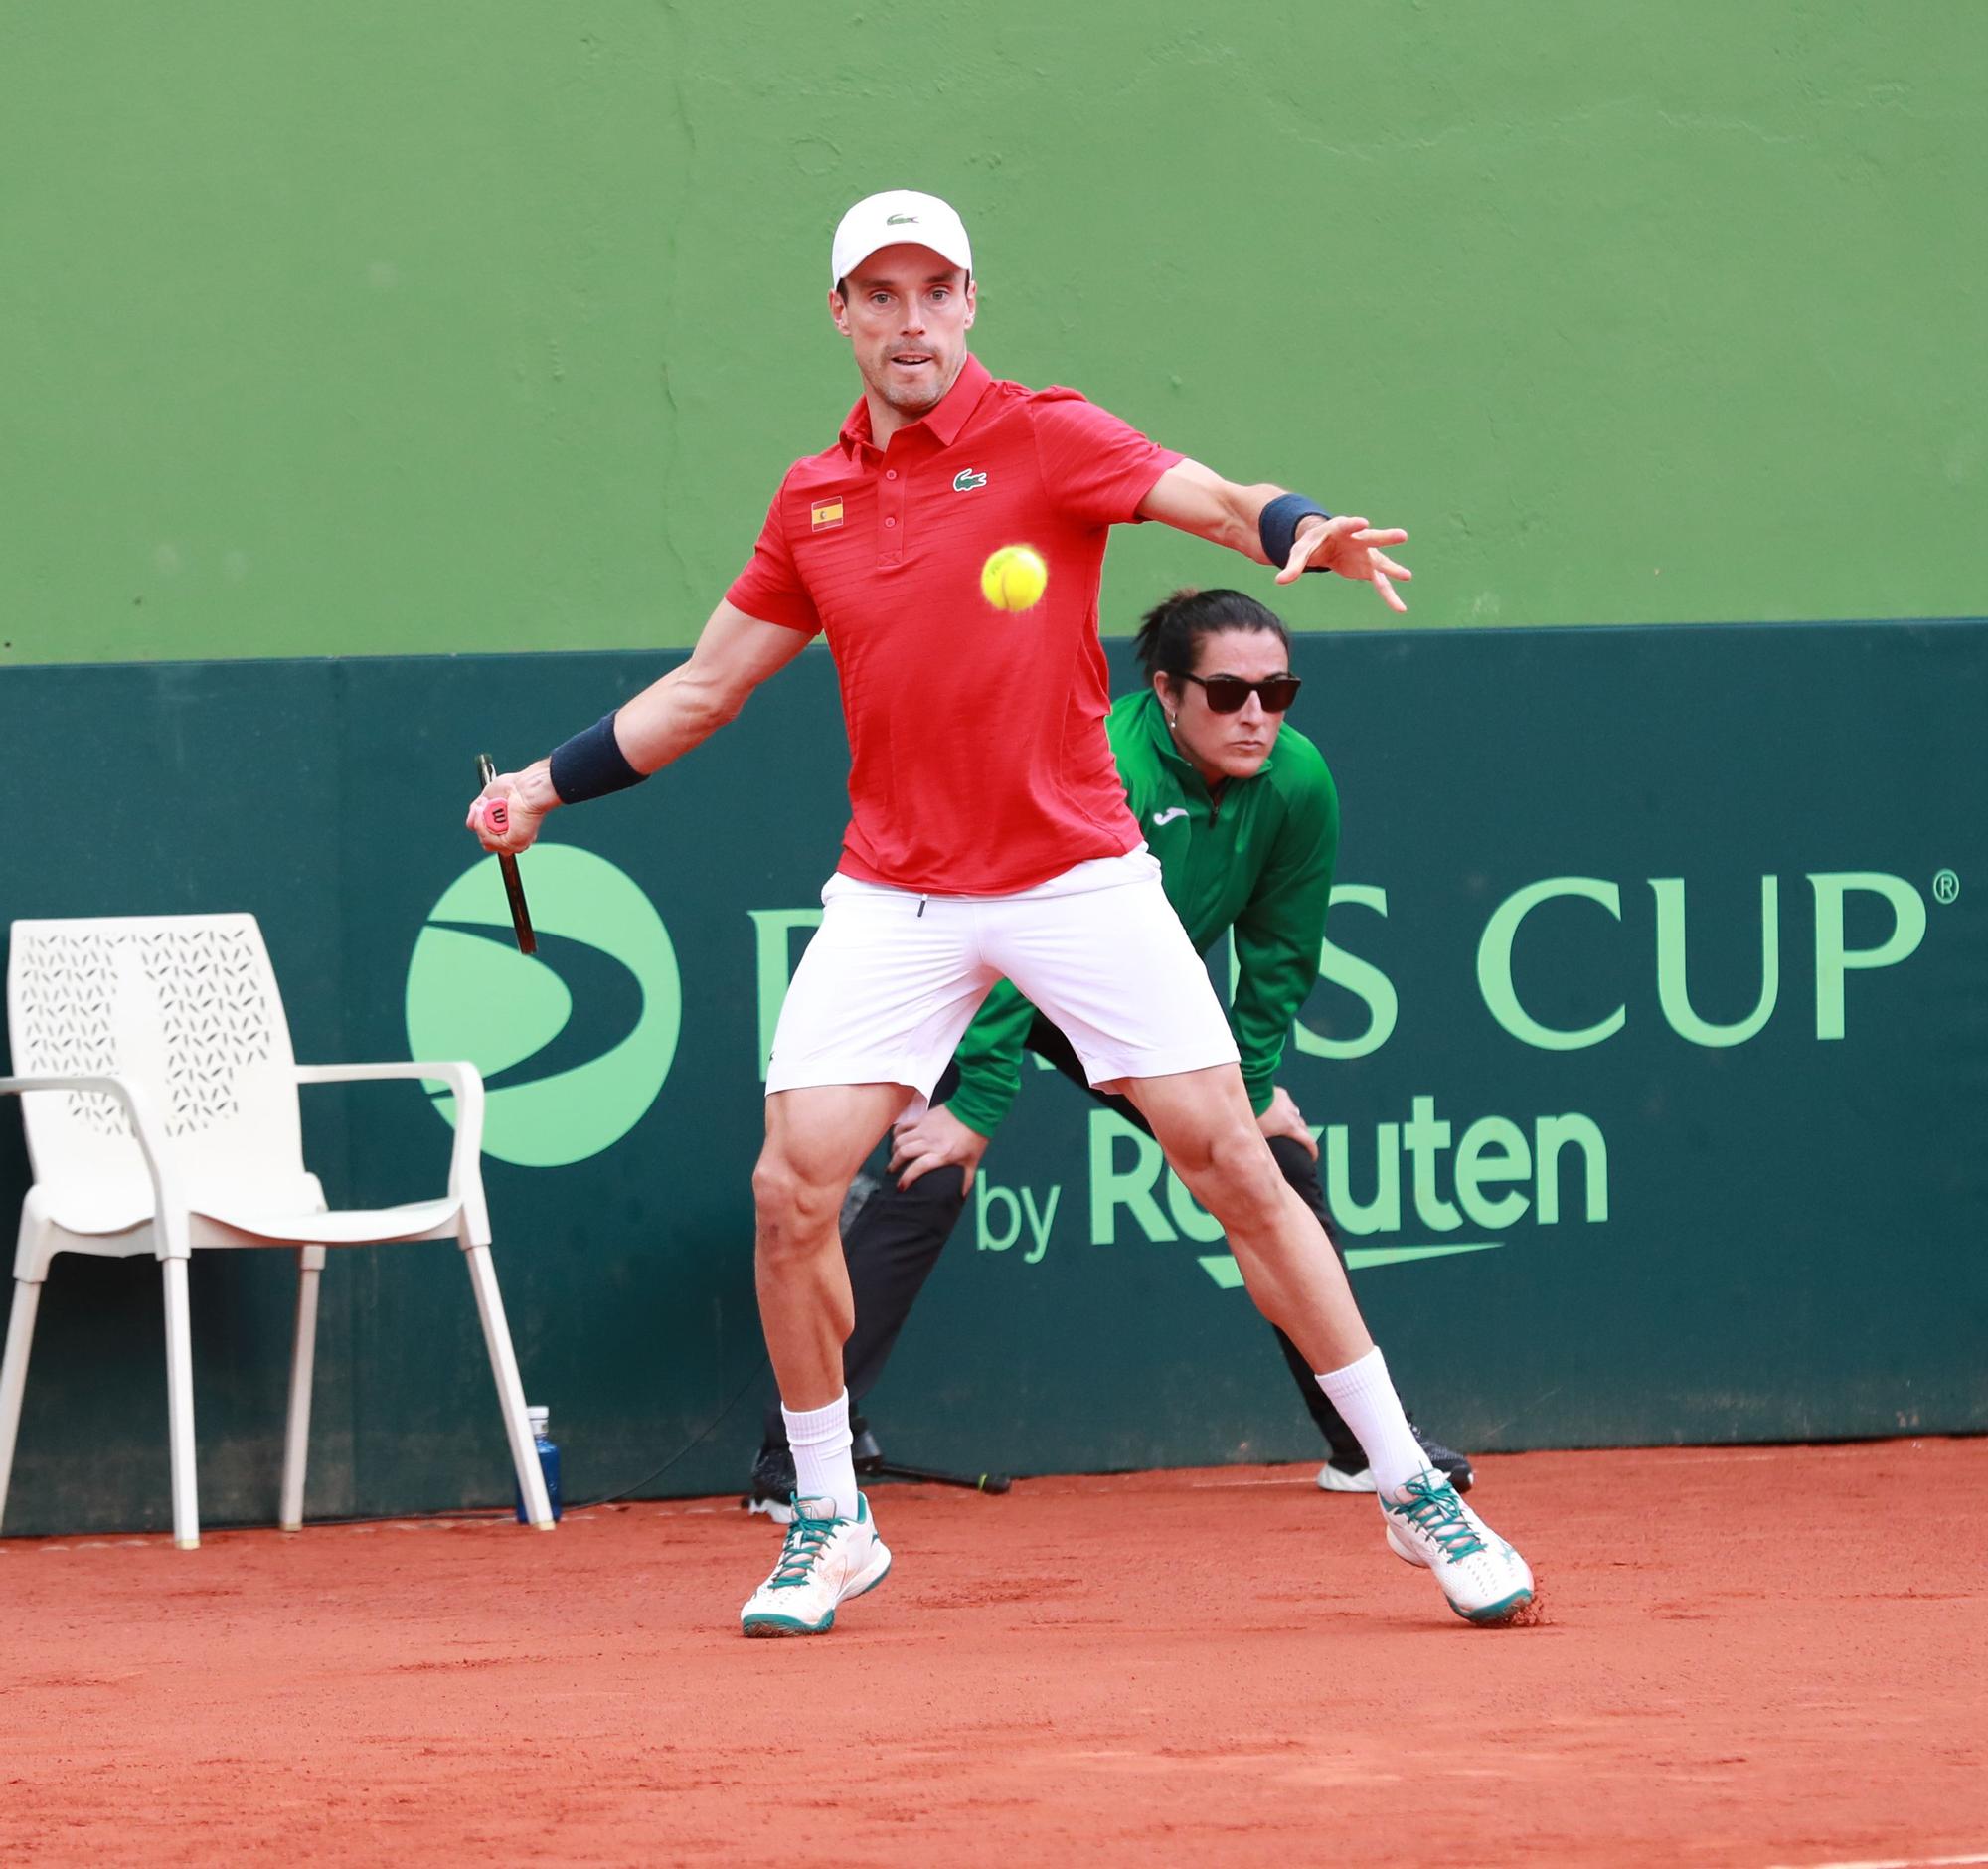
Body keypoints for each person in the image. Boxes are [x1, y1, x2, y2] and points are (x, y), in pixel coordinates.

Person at [469, 188, 1536, 1633]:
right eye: (881, 297)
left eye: (936, 292)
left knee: (1232, 1158)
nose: (912, 323)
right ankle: (830, 1519)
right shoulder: (814, 499)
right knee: (794, 1188)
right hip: (898, 892)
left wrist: (1292, 526)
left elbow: (1205, 496)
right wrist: (544, 781)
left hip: (1076, 875)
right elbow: (704, 691)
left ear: (970, 302)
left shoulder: (1048, 435)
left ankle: (1413, 1489)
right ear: (841, 316)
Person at [746, 586, 1473, 1519]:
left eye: (1278, 691)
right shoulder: (1104, 765)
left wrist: (1249, 1088)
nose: (1257, 715)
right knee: (928, 1170)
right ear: (1166, 694)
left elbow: (1281, 950)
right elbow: (1009, 944)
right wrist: (977, 1107)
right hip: (980, 973)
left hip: (1122, 997)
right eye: (1227, 693)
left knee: (1272, 1164)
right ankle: (797, 1460)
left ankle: (1364, 1448)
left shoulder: (1298, 780)